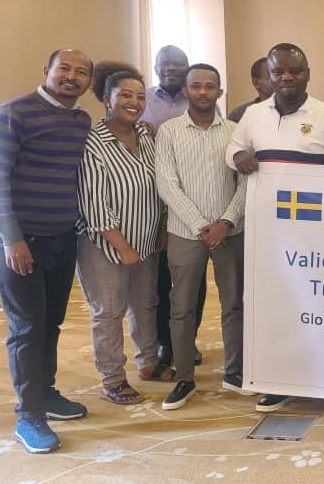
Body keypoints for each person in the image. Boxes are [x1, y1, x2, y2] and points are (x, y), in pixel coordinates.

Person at [226, 43, 324, 413]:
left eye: (294, 71)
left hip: (316, 233)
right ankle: (279, 381)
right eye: (278, 71)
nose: (286, 77)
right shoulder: (253, 115)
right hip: (267, 233)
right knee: (276, 307)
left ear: (308, 74)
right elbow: (231, 149)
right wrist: (239, 155)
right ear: (268, 75)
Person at [0, 49, 94, 453]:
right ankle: (29, 416)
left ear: (88, 82)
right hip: (18, 241)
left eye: (81, 72)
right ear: (47, 71)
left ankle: (46, 392)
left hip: (61, 237)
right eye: (65, 68)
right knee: (26, 327)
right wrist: (12, 239)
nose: (72, 76)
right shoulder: (11, 115)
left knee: (51, 322)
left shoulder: (80, 121)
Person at [155, 64, 249, 411]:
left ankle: (235, 371)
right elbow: (166, 184)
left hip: (231, 232)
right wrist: (200, 225)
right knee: (181, 307)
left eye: (211, 86)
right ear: (186, 91)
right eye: (196, 86)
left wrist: (225, 222)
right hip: (185, 233)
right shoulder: (169, 132)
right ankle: (184, 378)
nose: (203, 92)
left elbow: (246, 182)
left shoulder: (236, 132)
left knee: (234, 303)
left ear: (220, 92)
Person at [76, 65, 168, 408]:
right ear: (106, 99)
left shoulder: (146, 135)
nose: (134, 102)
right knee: (109, 311)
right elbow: (93, 202)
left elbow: (158, 186)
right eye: (125, 95)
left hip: (146, 240)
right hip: (104, 244)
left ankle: (148, 362)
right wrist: (122, 246)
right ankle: (112, 379)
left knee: (145, 304)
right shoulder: (92, 142)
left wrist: (160, 227)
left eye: (140, 96)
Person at [140, 45, 207, 370]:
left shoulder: (198, 100)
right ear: (156, 67)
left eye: (178, 64)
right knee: (155, 281)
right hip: (147, 201)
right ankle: (163, 343)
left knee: (191, 278)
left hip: (189, 203)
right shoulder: (141, 99)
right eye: (164, 63)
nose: (170, 68)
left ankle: (186, 340)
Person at [228, 57, 275, 123]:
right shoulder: (239, 116)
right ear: (256, 83)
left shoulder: (289, 111)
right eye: (272, 76)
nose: (280, 80)